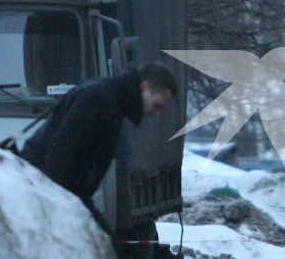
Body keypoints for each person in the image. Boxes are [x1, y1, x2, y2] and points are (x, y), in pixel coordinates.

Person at [21, 62, 178, 225]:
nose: (156, 114)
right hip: (45, 193)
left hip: (52, 192)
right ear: (143, 87)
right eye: (157, 105)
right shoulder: (100, 100)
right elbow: (61, 155)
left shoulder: (109, 99)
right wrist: (63, 212)